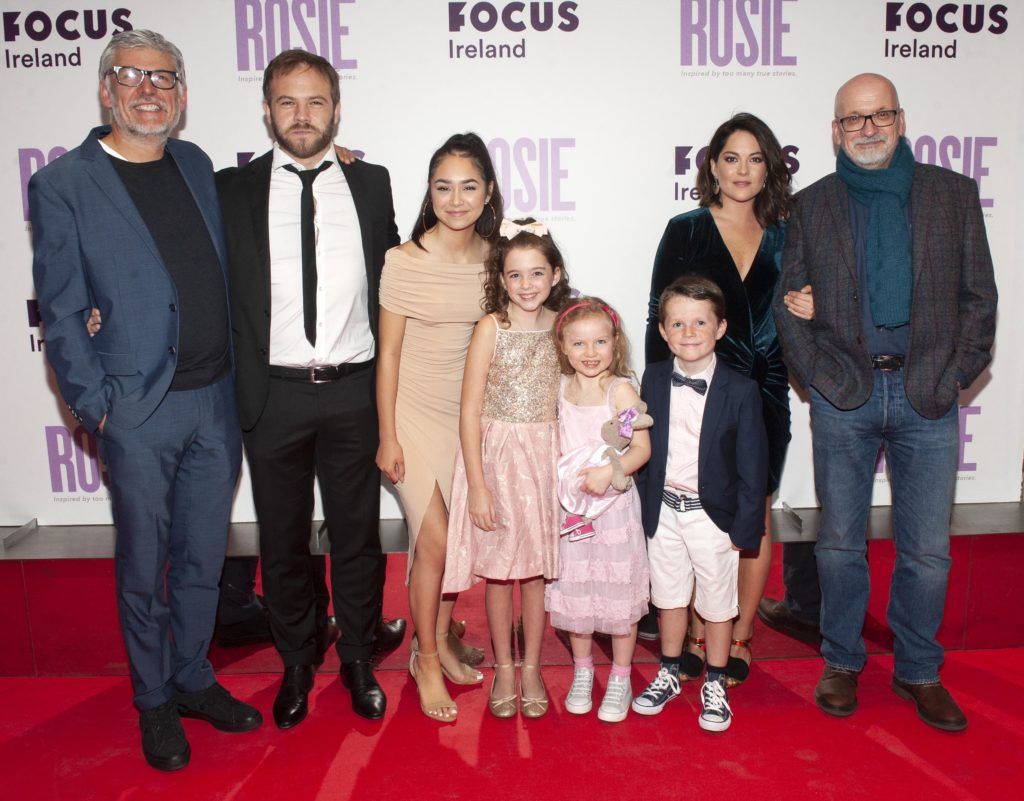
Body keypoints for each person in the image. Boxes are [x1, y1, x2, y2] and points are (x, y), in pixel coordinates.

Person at [28, 29, 261, 771]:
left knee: (201, 558)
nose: (149, 89)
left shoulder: (194, 164)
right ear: (105, 89)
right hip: (137, 409)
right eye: (131, 76)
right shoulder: (63, 184)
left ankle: (193, 676)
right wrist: (96, 405)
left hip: (215, 401)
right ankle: (154, 697)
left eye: (164, 78)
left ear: (183, 96)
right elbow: (61, 312)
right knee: (143, 563)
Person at [773, 73, 997, 732]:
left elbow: (979, 301)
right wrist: (818, 377)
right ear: (834, 131)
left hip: (928, 393)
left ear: (900, 120)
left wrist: (953, 375)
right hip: (845, 393)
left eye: (879, 116)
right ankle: (842, 661)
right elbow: (790, 309)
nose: (867, 129)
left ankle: (919, 669)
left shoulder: (951, 196)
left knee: (927, 550)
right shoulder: (810, 207)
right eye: (853, 119)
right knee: (840, 544)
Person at [215, 49, 400, 728]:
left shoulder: (371, 183)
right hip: (273, 396)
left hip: (355, 389)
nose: (301, 115)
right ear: (266, 110)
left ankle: (356, 653)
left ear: (336, 109)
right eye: (287, 102)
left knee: (358, 535)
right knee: (284, 540)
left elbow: (399, 283)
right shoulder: (228, 191)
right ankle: (297, 658)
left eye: (315, 101)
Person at [645, 113, 815, 683]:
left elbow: (810, 307)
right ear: (713, 167)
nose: (743, 170)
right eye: (732, 158)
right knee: (692, 504)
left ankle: (740, 636)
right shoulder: (686, 228)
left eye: (756, 158)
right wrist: (656, 396)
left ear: (770, 169)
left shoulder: (790, 234)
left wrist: (813, 310)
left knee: (753, 511)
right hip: (695, 385)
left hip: (763, 389)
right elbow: (657, 315)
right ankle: (697, 628)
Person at [377, 133, 504, 722]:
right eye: (443, 186)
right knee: (434, 538)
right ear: (429, 192)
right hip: (412, 412)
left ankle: (445, 634)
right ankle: (424, 656)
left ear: (487, 194)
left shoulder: (497, 259)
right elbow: (390, 357)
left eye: (469, 186)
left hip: (467, 417)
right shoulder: (404, 260)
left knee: (456, 542)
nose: (456, 199)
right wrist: (387, 435)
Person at [443, 218, 569, 720]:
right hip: (496, 461)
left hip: (545, 460)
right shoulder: (490, 327)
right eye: (515, 276)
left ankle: (533, 667)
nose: (526, 285)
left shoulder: (563, 325)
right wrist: (476, 484)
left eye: (536, 274)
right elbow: (469, 408)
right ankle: (503, 668)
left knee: (535, 573)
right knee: (499, 574)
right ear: (501, 279)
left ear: (555, 275)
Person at [634, 276, 768, 732]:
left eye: (699, 322)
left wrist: (744, 532)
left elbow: (754, 469)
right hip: (664, 513)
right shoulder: (651, 378)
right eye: (678, 323)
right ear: (663, 331)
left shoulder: (741, 390)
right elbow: (633, 442)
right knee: (668, 598)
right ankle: (669, 672)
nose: (689, 332)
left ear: (721, 327)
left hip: (715, 519)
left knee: (716, 605)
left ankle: (714, 679)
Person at [546, 298, 651, 723]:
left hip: (613, 511)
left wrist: (610, 471)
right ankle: (584, 669)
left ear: (615, 344)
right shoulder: (560, 388)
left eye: (600, 342)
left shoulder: (620, 390)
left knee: (616, 595)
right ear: (564, 347)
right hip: (573, 512)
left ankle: (622, 676)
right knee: (579, 591)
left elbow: (640, 449)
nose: (590, 353)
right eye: (579, 343)